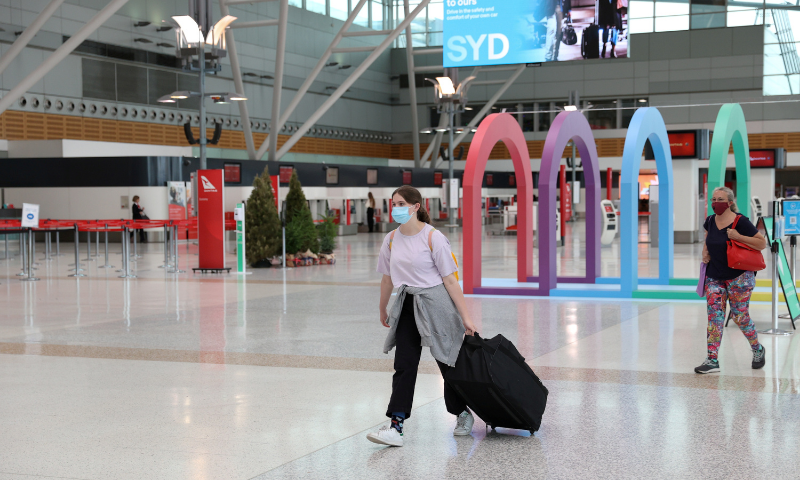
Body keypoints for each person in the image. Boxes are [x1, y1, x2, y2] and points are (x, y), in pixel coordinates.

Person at [367, 186, 477, 447]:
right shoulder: (391, 239)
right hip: (407, 304)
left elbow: (450, 280)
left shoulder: (433, 237)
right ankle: (396, 426)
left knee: (447, 363)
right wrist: (383, 308)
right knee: (404, 364)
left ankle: (462, 413)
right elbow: (386, 279)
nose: (396, 208)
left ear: (416, 206)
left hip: (436, 303)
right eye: (393, 203)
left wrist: (465, 317)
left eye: (401, 203)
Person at [696, 187, 767, 374]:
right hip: (714, 277)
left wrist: (738, 236)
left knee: (740, 316)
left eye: (720, 199)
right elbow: (707, 238)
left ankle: (757, 349)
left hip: (739, 277)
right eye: (713, 199)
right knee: (714, 318)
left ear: (729, 203)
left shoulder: (740, 221)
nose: (715, 202)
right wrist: (705, 251)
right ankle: (712, 360)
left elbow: (761, 243)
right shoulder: (710, 220)